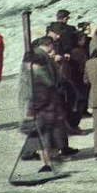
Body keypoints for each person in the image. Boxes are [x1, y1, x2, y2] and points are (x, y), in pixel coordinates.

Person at [20, 34, 67, 173]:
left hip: (42, 102)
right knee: (44, 135)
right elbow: (48, 81)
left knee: (45, 134)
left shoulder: (40, 55)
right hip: (41, 103)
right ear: (50, 45)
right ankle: (46, 163)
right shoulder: (40, 58)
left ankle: (48, 161)